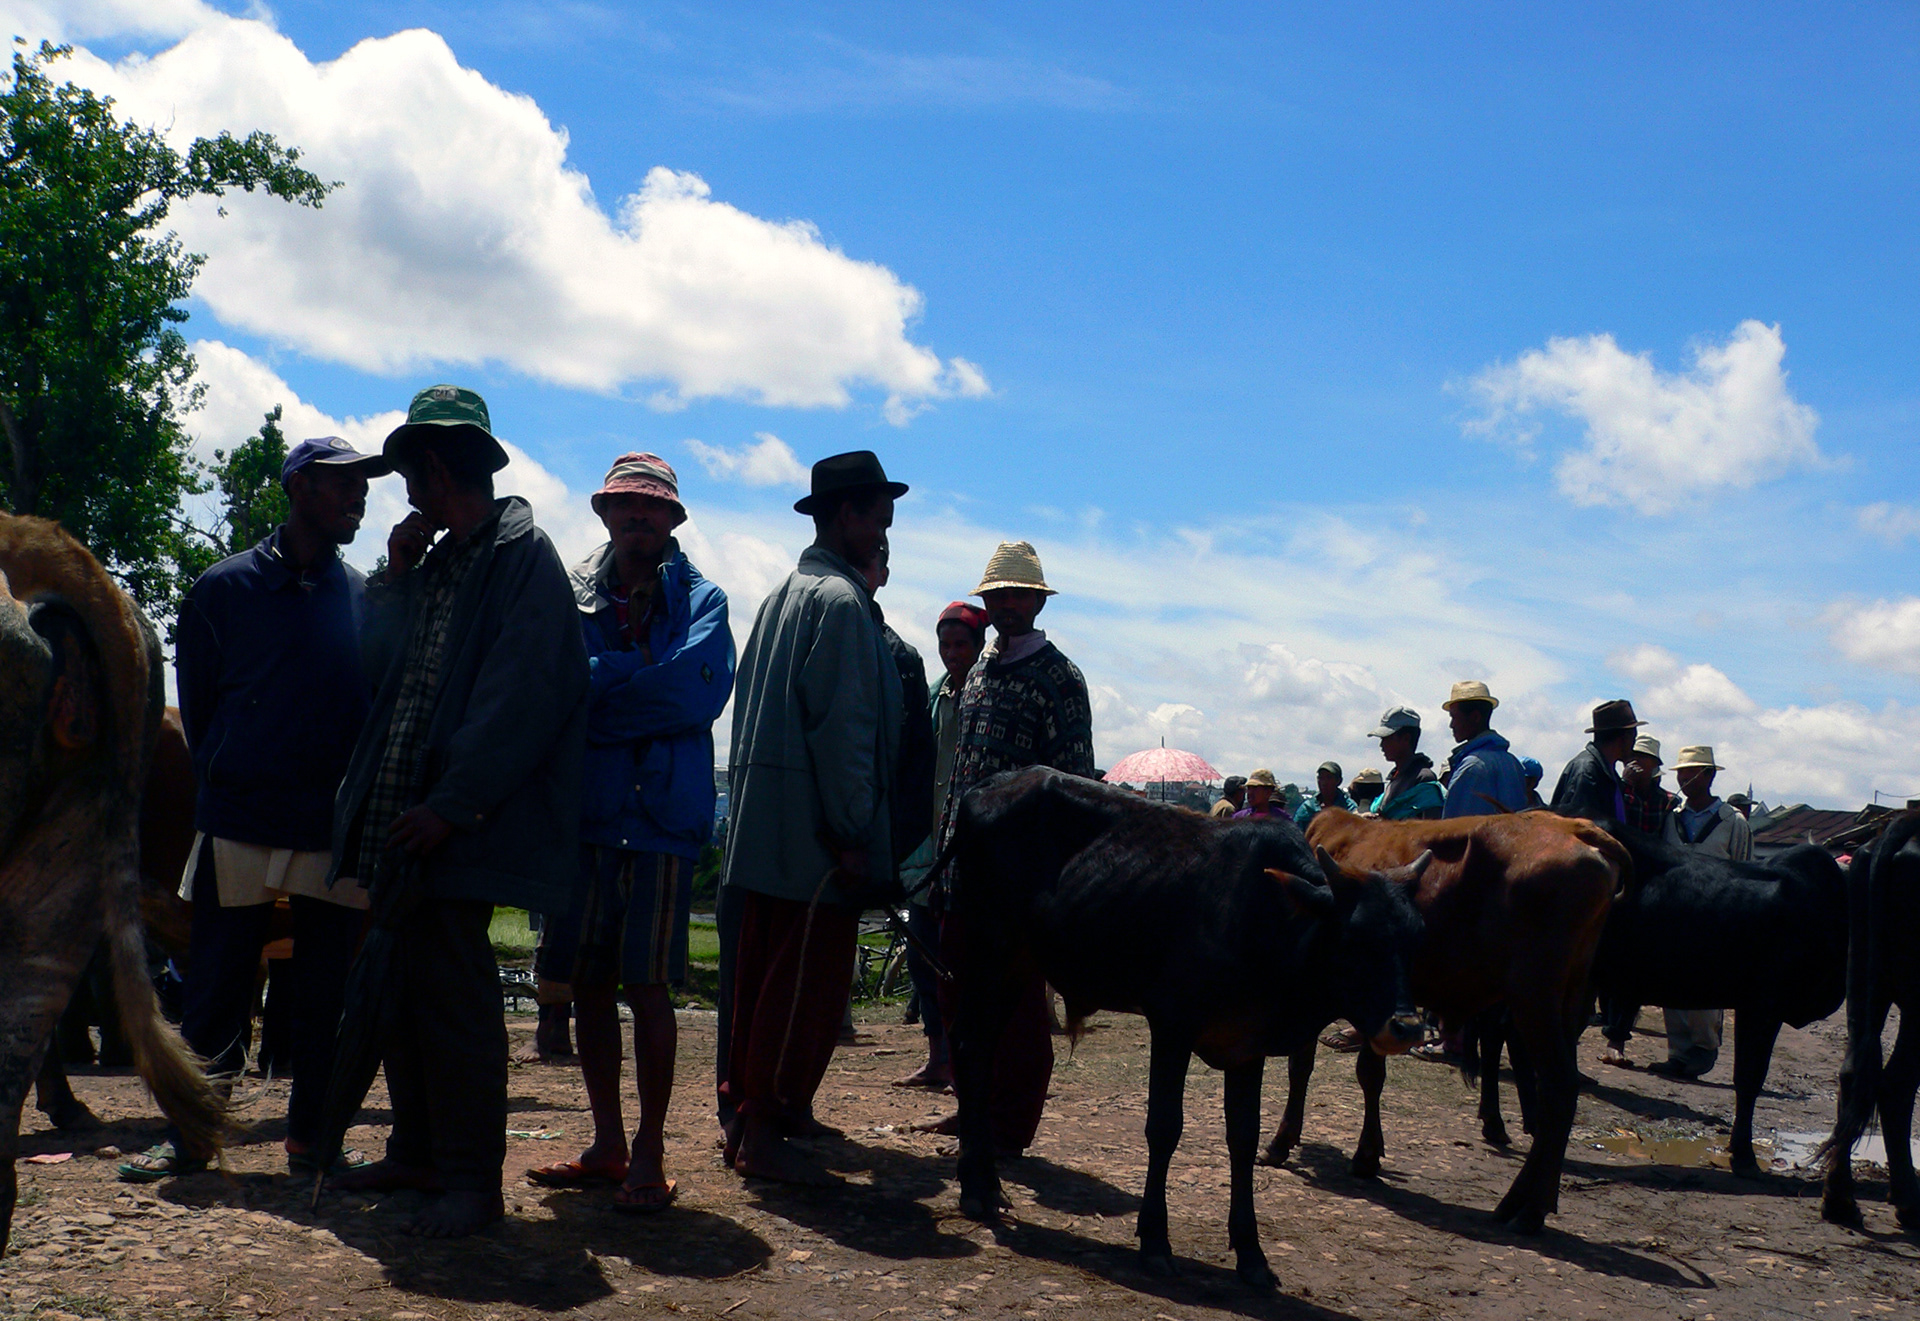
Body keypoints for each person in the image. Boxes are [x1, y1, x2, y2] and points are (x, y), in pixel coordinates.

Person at [328, 385, 589, 1238]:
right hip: (413, 807)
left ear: (438, 467)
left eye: (408, 471)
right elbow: (382, 669)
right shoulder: (442, 561)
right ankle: (418, 1149)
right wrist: (396, 579)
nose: (402, 488)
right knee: (405, 983)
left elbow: (520, 697)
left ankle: (472, 1180)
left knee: (455, 996)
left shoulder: (522, 558)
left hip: (459, 815)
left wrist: (455, 803)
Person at [119, 438, 390, 1184]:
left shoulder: (364, 597)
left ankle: (316, 1141)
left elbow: (367, 711)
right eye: (343, 487)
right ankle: (192, 1137)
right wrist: (228, 782)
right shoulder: (222, 588)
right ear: (299, 487)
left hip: (328, 828)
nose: (358, 500)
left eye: (362, 490)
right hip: (238, 818)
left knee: (324, 994)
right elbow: (201, 709)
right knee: (215, 987)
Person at [522, 453, 733, 1214]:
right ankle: (607, 1142)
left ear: (673, 520)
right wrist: (638, 684)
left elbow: (695, 691)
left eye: (654, 509)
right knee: (587, 984)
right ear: (605, 513)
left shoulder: (706, 599)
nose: (641, 519)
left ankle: (649, 1147)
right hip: (587, 817)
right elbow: (554, 686)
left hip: (661, 825)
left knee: (647, 987)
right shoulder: (569, 594)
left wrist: (601, 691)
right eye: (628, 507)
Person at [718, 450, 906, 1183]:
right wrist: (854, 830)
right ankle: (763, 1127)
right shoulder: (839, 602)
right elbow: (844, 730)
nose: (887, 522)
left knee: (765, 980)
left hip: (771, 832)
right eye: (877, 510)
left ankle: (765, 1115)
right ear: (847, 516)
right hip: (816, 841)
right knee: (800, 988)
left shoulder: (782, 596)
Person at [929, 540, 1095, 1153]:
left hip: (1016, 877)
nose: (1005, 604)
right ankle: (973, 1108)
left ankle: (1008, 1125)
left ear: (1036, 600)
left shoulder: (1059, 677)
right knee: (957, 996)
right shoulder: (977, 671)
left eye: (1016, 594)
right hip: (958, 866)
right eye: (996, 595)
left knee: (1017, 1009)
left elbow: (1074, 782)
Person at [895, 600, 988, 1090]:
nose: (953, 653)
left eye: (961, 644)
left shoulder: (985, 697)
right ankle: (937, 1057)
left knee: (959, 964)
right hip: (927, 850)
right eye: (946, 645)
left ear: (978, 646)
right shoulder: (933, 698)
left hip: (965, 854)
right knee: (922, 957)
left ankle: (962, 1061)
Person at [1650, 746, 1752, 1080]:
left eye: (1690, 772)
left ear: (1708, 776)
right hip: (1675, 911)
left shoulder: (1732, 821)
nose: (1683, 778)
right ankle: (1678, 1052)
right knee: (1672, 982)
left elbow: (1744, 869)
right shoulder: (1671, 816)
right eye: (1680, 772)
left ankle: (1704, 1048)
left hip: (1714, 914)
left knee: (1707, 983)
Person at [1439, 681, 1528, 817]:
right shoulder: (1513, 763)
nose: (1451, 725)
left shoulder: (1472, 767)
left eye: (1454, 717)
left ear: (1475, 717)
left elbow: (1455, 830)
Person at [1550, 700, 1643, 821]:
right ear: (1625, 737)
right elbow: (1581, 827)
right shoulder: (1587, 772)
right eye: (1633, 738)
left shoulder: (1607, 772)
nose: (1633, 745)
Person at [1369, 706, 1446, 820]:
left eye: (1387, 738)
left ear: (1406, 738)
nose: (1382, 745)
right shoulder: (1395, 776)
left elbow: (1431, 828)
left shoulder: (1423, 777)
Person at [1620, 734, 1674, 834]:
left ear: (1655, 764)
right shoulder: (1614, 793)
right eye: (1630, 755)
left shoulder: (1668, 801)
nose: (1634, 761)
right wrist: (1625, 783)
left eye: (1641, 756)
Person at [1294, 760, 1357, 827]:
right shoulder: (1308, 807)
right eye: (1321, 778)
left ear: (1339, 781)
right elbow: (1295, 831)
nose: (1324, 782)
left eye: (1329, 778)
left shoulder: (1349, 807)